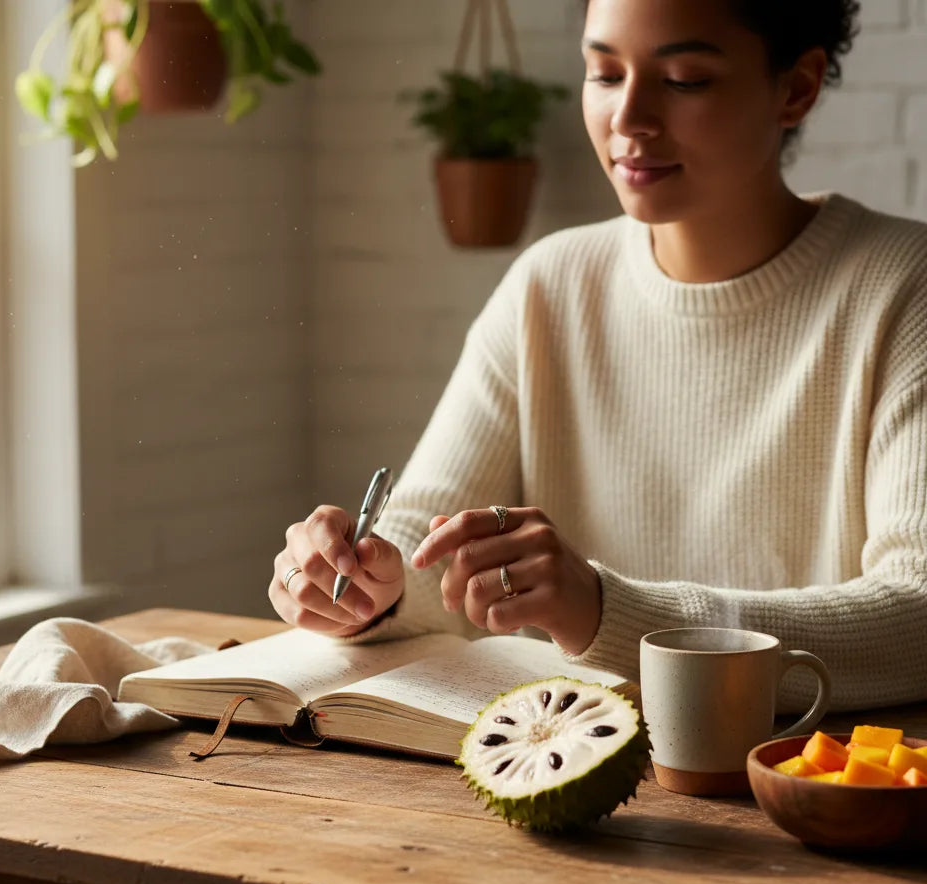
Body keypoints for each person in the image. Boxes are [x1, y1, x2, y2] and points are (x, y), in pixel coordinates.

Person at [269, 0, 927, 712]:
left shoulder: (903, 288)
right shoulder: (549, 284)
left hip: (808, 785)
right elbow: (429, 536)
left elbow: (917, 612)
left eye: (683, 79)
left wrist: (607, 611)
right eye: (604, 72)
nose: (630, 119)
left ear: (795, 88)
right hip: (565, 768)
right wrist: (369, 581)